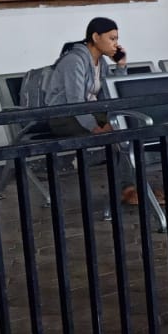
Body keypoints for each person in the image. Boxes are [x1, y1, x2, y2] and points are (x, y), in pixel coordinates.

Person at [41, 16, 147, 205]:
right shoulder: (74, 61)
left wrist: (121, 66)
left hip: (89, 113)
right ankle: (127, 188)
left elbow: (111, 96)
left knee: (126, 125)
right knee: (118, 132)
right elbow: (75, 103)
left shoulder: (102, 63)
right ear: (96, 37)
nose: (116, 44)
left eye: (117, 39)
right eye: (112, 38)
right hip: (63, 116)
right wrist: (94, 127)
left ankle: (131, 187)